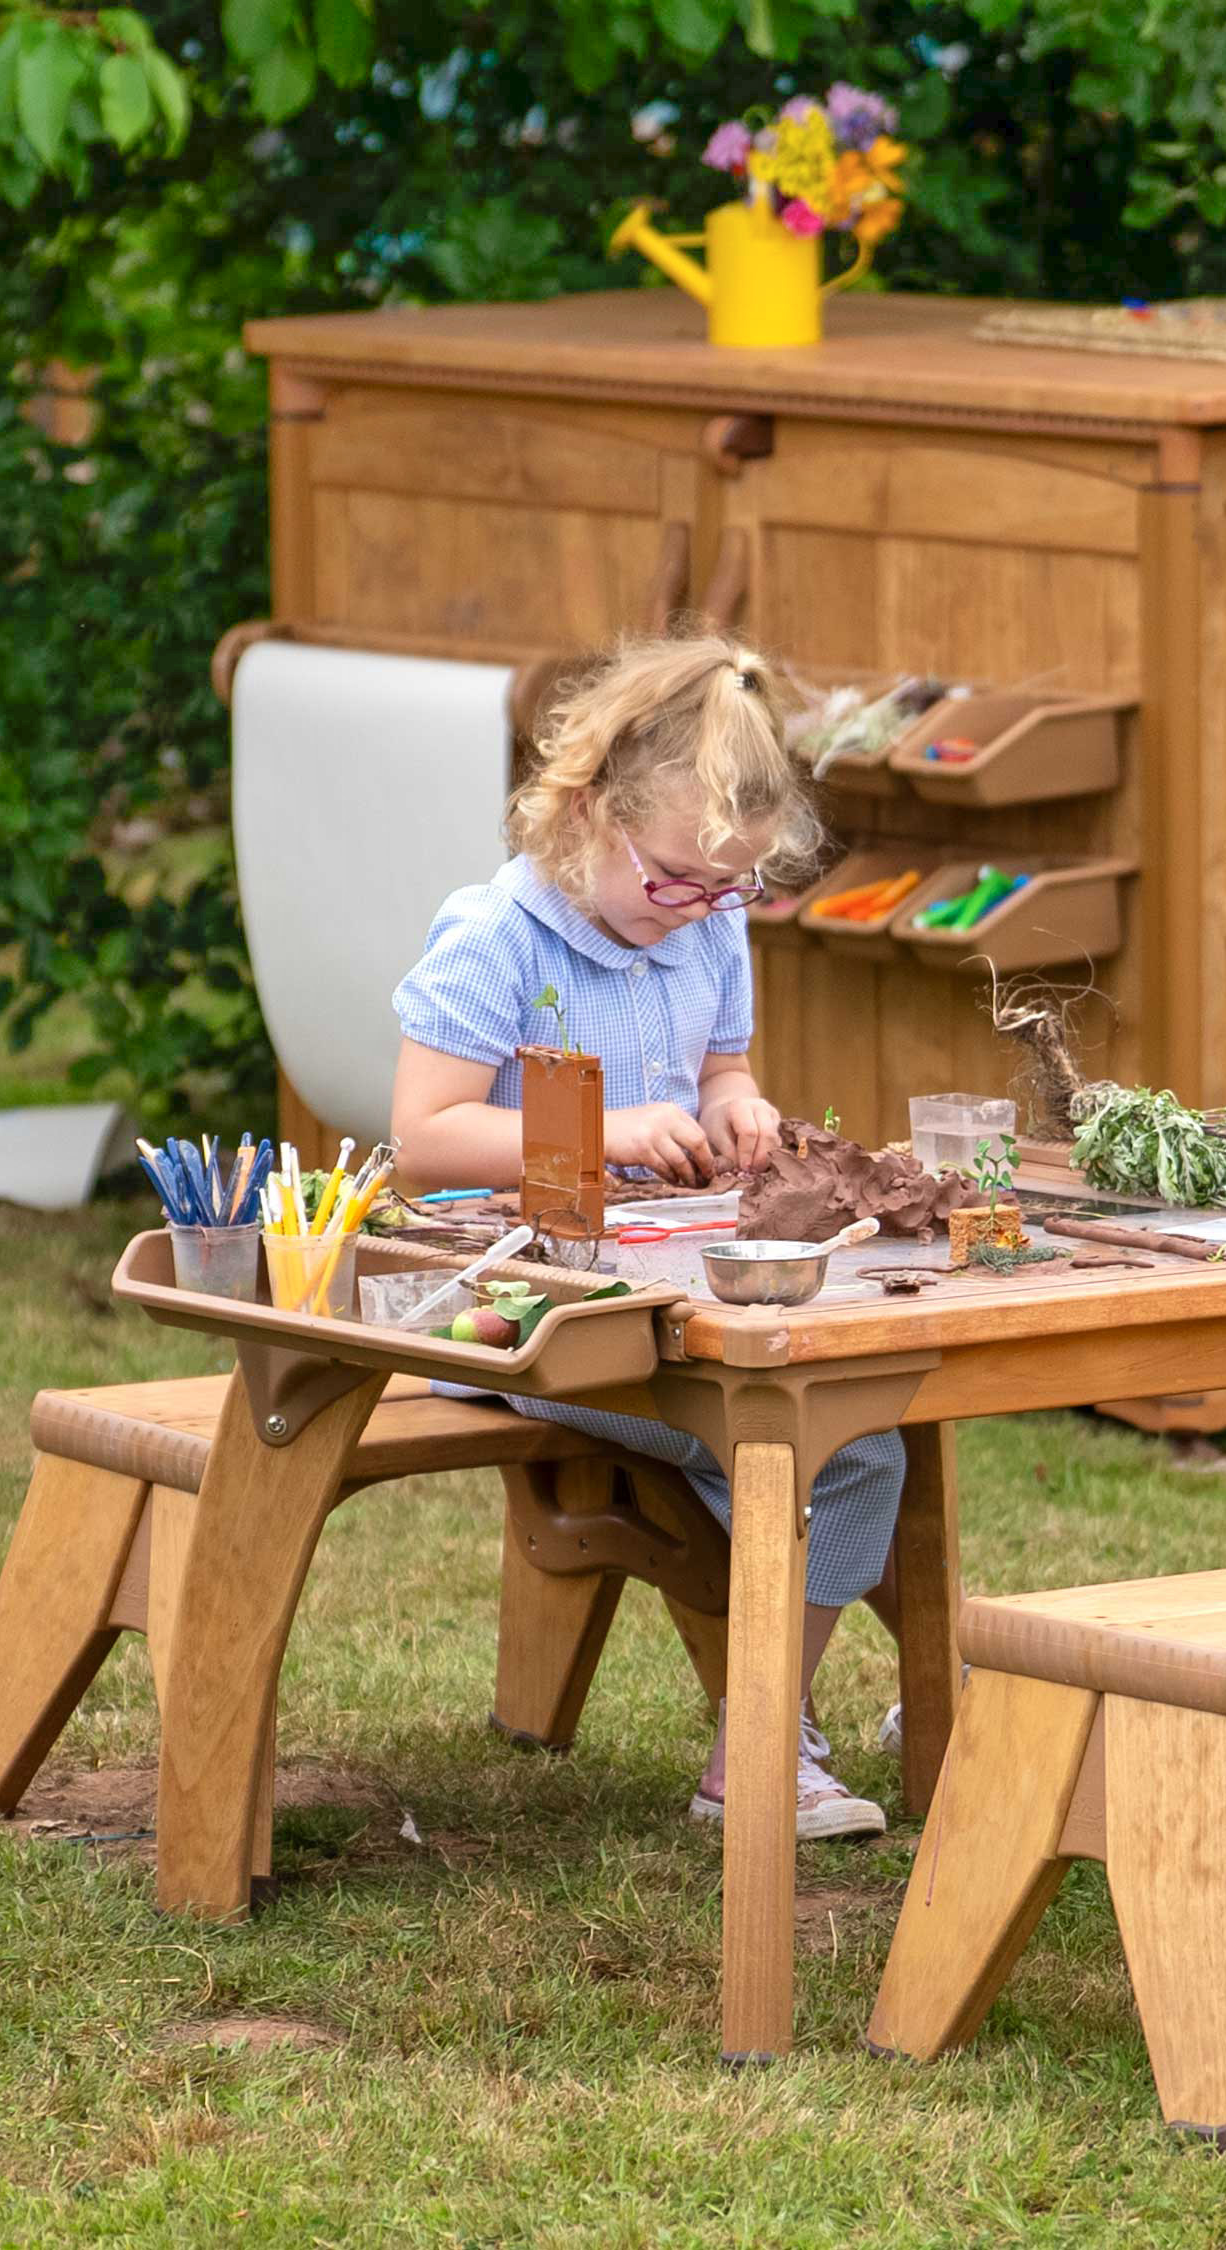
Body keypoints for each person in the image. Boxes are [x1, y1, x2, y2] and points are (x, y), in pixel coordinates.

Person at [389, 631, 897, 1839]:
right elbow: (425, 1138)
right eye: (675, 879)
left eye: (732, 889)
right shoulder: (497, 938)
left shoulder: (709, 927)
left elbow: (723, 1067)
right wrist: (608, 1131)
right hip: (519, 1312)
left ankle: (788, 1721)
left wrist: (738, 1108)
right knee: (787, 1437)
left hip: (662, 1284)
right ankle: (769, 1743)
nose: (701, 911)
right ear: (586, 814)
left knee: (865, 1433)